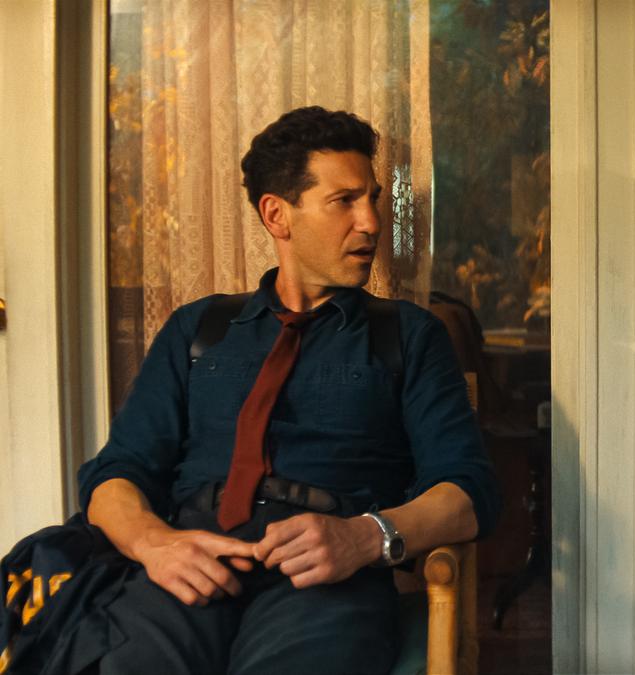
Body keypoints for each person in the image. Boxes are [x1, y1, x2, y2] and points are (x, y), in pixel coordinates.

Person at [74, 106, 500, 673]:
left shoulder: (407, 335)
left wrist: (364, 537)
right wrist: (155, 543)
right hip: (192, 560)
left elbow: (468, 492)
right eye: (344, 201)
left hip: (327, 578)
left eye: (372, 199)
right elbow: (115, 473)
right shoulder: (199, 329)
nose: (371, 222)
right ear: (277, 215)